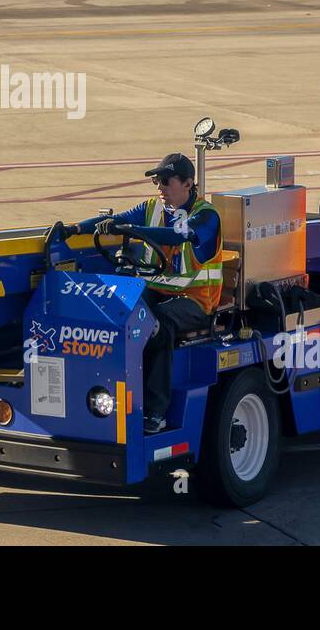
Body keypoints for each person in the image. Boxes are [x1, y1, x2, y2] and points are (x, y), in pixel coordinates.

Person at [50, 153, 223, 434]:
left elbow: (180, 235)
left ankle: (156, 412)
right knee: (116, 309)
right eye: (157, 181)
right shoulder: (153, 208)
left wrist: (134, 230)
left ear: (188, 183)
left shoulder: (206, 216)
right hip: (159, 289)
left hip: (196, 301)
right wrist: (75, 228)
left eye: (166, 181)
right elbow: (118, 219)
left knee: (158, 326)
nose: (160, 188)